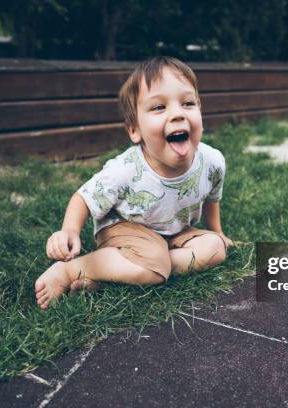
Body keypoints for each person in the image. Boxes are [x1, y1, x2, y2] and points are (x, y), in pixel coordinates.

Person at [35, 56, 232, 310]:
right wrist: (69, 231)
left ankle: (117, 274)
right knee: (153, 266)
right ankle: (73, 270)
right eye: (159, 107)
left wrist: (217, 232)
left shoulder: (212, 161)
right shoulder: (126, 170)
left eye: (188, 103)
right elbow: (83, 197)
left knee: (215, 249)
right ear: (134, 130)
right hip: (126, 229)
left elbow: (212, 198)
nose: (177, 114)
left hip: (174, 230)